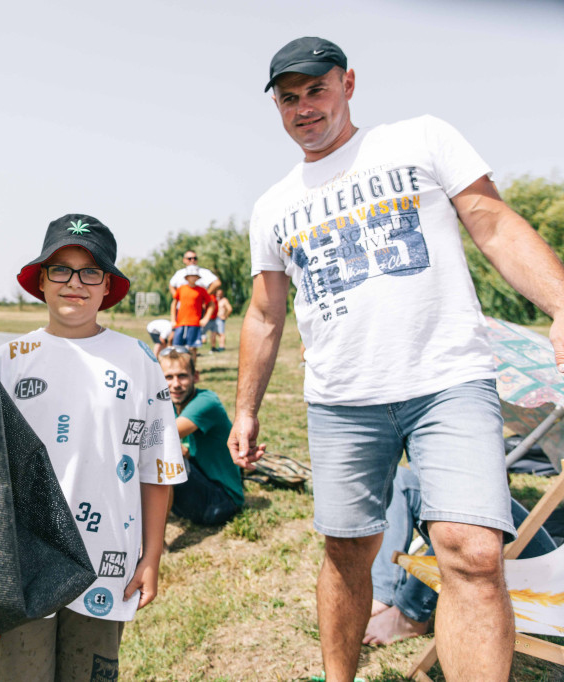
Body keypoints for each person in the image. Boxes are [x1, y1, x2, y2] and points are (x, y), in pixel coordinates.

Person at [228, 36, 564, 681]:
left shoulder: (420, 139)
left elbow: (492, 223)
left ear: (348, 84)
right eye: (288, 98)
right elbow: (265, 313)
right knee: (349, 550)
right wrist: (245, 410)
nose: (304, 108)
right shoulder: (273, 204)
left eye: (316, 90)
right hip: (341, 398)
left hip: (448, 381)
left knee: (471, 553)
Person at [0, 214, 186, 681]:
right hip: (22, 562)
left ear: (107, 285)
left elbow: (157, 470)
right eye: (61, 270)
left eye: (90, 271)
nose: (75, 283)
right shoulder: (8, 361)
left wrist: (151, 557)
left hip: (106, 562)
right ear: (42, 281)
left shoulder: (140, 362)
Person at [366, 466, 557, 646]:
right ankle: (383, 596)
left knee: (471, 504)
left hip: (543, 578)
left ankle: (409, 614)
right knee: (398, 477)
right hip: (509, 554)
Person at [159, 346, 244, 526]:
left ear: (195, 376)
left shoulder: (206, 401)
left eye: (182, 376)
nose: (175, 384)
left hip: (221, 502)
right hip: (199, 487)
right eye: (168, 377)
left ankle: (156, 542)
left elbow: (162, 437)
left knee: (163, 454)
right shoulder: (169, 404)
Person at [171, 266, 216, 357]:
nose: (193, 277)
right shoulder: (181, 289)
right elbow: (174, 304)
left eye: (195, 276)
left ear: (197, 277)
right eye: (191, 275)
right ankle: (180, 369)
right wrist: (173, 319)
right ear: (187, 277)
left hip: (194, 323)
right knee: (177, 348)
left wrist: (206, 318)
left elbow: (211, 304)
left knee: (192, 348)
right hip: (181, 323)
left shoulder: (202, 290)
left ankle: (191, 369)